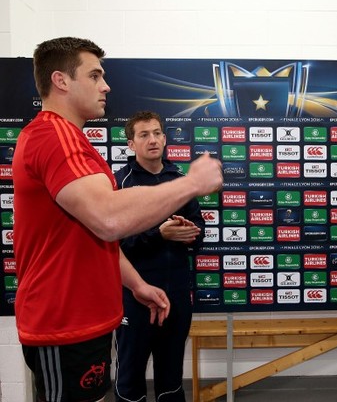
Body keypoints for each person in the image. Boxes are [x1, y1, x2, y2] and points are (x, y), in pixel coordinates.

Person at [12, 37, 222, 402]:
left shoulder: (71, 140)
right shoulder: (54, 137)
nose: (106, 85)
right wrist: (192, 183)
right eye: (94, 76)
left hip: (84, 322)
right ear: (61, 81)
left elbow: (93, 234)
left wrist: (136, 284)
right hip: (63, 323)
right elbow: (109, 219)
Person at [113, 111, 205, 402]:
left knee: (171, 379)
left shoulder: (180, 181)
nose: (152, 140)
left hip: (176, 295)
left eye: (156, 133)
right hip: (135, 296)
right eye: (144, 135)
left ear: (165, 139)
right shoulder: (119, 183)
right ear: (131, 144)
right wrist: (159, 235)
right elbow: (114, 245)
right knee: (129, 380)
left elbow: (198, 235)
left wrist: (189, 233)